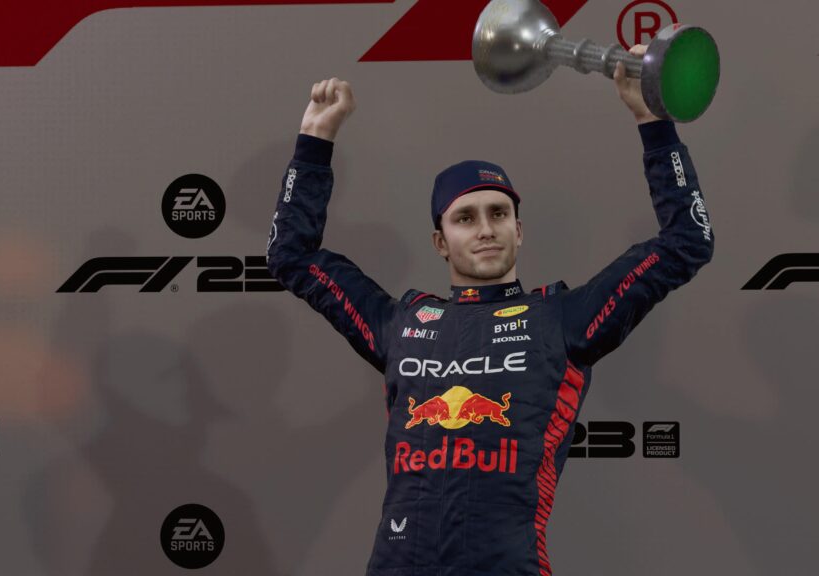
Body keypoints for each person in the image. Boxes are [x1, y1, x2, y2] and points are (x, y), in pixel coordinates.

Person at [266, 44, 714, 576]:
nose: (485, 229)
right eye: (465, 218)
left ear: (518, 231)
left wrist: (652, 123)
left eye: (499, 214)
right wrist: (314, 142)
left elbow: (687, 241)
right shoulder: (401, 324)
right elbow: (291, 255)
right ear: (440, 242)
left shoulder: (562, 319)